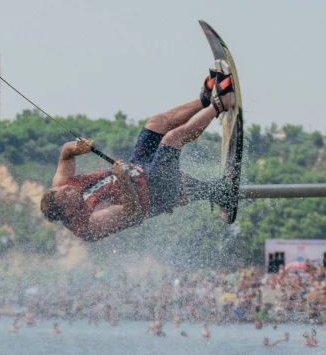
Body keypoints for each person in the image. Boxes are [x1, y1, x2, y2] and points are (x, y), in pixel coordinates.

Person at [41, 70, 235, 242]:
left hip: (140, 169)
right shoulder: (90, 223)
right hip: (157, 192)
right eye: (66, 194)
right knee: (172, 139)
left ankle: (204, 100)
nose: (67, 188)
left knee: (156, 123)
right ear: (67, 211)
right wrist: (123, 180)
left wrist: (77, 147)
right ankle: (221, 104)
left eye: (63, 189)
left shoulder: (60, 186)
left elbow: (65, 154)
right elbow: (132, 213)